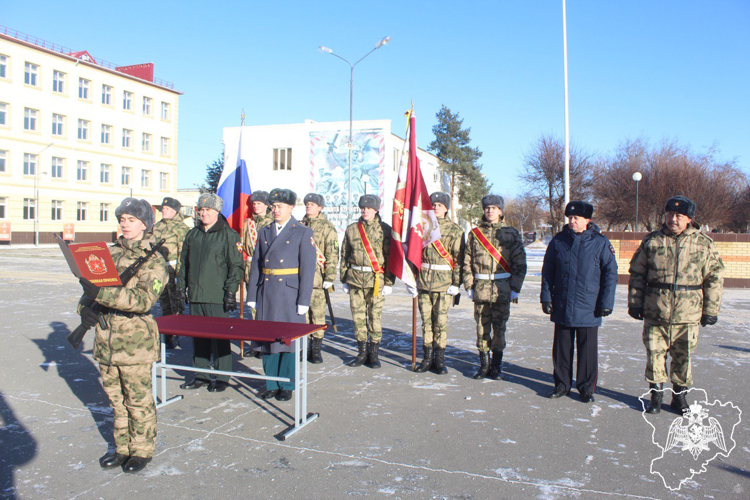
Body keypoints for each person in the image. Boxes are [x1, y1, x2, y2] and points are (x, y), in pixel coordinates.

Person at [78, 197, 167, 473]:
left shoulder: (154, 260)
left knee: (137, 400)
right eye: (122, 219)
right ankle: (123, 447)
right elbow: (89, 291)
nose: (124, 224)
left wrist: (102, 294)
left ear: (145, 224)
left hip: (135, 343)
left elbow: (142, 300)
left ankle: (142, 450)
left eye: (131, 220)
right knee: (116, 400)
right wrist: (84, 309)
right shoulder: (109, 253)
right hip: (106, 339)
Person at [628, 196, 724, 414]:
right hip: (656, 310)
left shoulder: (703, 243)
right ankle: (656, 396)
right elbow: (637, 273)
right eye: (670, 215)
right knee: (654, 355)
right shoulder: (652, 241)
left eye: (679, 216)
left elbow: (714, 278)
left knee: (683, 357)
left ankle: (679, 398)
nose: (673, 219)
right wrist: (635, 303)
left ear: (689, 219)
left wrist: (711, 310)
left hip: (688, 313)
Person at [540, 201, 618, 403]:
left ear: (587, 220)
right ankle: (562, 385)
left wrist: (606, 302)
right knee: (562, 350)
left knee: (587, 351)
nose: (572, 221)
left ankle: (586, 388)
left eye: (577, 218)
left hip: (589, 305)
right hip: (563, 303)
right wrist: (547, 297)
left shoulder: (600, 243)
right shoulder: (558, 241)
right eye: (570, 218)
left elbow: (610, 274)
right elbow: (548, 271)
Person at [246, 189, 316, 401]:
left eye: (280, 207)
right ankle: (270, 383)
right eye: (273, 206)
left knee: (287, 340)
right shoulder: (265, 230)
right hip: (266, 291)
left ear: (291, 208)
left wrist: (304, 300)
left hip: (289, 293)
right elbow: (257, 264)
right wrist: (252, 294)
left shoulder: (302, 232)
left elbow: (308, 268)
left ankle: (287, 384)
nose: (275, 210)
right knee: (267, 339)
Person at [176, 192, 243, 393]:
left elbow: (236, 266)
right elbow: (184, 265)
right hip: (196, 295)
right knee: (198, 337)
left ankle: (222, 377)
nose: (203, 213)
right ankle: (201, 375)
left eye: (207, 210)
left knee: (220, 338)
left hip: (217, 296)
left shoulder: (229, 235)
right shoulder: (192, 235)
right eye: (201, 209)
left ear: (217, 212)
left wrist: (231, 291)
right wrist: (181, 288)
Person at [463, 194, 527, 380]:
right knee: (482, 329)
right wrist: (469, 285)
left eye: (494, 208)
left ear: (500, 211)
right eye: (487, 208)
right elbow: (466, 261)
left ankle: (497, 366)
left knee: (499, 329)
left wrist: (515, 287)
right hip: (480, 288)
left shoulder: (511, 233)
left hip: (503, 289)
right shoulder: (475, 234)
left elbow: (519, 263)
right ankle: (484, 366)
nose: (490, 211)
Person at [408, 192, 465, 375]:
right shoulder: (421, 227)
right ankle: (427, 358)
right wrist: (411, 279)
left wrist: (457, 283)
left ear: (446, 208)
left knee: (440, 323)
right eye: (433, 204)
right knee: (426, 322)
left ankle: (439, 359)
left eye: (440, 205)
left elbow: (459, 259)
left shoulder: (455, 230)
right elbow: (413, 254)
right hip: (424, 281)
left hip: (444, 283)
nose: (435, 207)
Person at [340, 194, 395, 369]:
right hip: (355, 279)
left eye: (369, 208)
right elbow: (345, 255)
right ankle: (362, 352)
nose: (365, 211)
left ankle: (374, 354)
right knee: (358, 318)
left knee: (374, 317)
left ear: (376, 210)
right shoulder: (352, 229)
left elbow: (390, 257)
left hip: (376, 281)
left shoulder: (385, 230)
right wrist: (344, 279)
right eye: (363, 208)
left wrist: (389, 282)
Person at [301, 193, 339, 364]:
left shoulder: (327, 227)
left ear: (320, 207)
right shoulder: (299, 225)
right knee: (303, 316)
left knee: (317, 315)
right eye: (307, 204)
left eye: (313, 204)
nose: (309, 206)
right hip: (299, 277)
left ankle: (316, 349)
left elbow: (332, 253)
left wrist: (330, 276)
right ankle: (304, 346)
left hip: (318, 279)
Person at [152, 196, 190, 349]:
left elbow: (183, 252)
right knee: (164, 302)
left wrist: (180, 275)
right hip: (160, 269)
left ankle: (175, 334)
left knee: (176, 303)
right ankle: (166, 333)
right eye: (163, 209)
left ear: (175, 211)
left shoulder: (181, 228)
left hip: (174, 269)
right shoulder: (157, 227)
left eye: (167, 209)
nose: (163, 211)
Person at [241, 190, 273, 281]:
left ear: (266, 205)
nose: (255, 206)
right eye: (254, 203)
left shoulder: (273, 223)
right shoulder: (247, 223)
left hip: (268, 266)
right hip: (250, 267)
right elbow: (242, 243)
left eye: (259, 203)